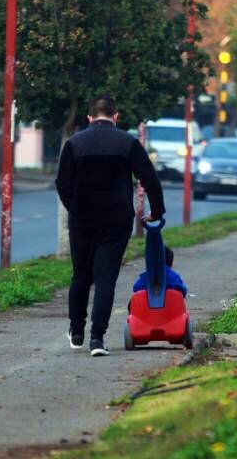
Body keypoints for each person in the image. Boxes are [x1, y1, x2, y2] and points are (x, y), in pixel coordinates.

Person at [55, 96, 165, 356]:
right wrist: (157, 211)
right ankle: (97, 339)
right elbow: (149, 178)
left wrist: (75, 207)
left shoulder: (74, 143)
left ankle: (77, 331)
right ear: (116, 116)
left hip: (82, 220)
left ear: (89, 118)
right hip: (117, 220)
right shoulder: (128, 143)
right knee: (106, 278)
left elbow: (62, 182)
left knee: (81, 274)